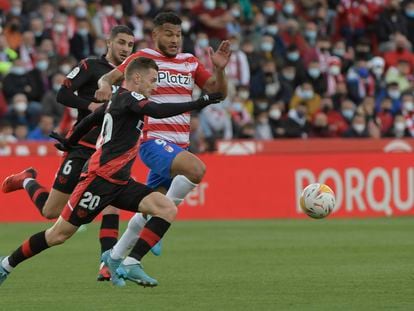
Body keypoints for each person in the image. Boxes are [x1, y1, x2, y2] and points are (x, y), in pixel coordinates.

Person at [0, 57, 223, 288]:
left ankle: (129, 262)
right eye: (153, 80)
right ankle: (6, 264)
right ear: (136, 78)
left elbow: (90, 120)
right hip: (97, 182)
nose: (155, 86)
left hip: (120, 182)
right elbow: (156, 110)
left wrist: (69, 141)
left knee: (166, 208)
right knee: (57, 235)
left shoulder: (116, 100)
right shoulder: (130, 97)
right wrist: (199, 103)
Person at [94, 12, 230, 277]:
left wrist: (220, 69)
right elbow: (108, 78)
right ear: (155, 34)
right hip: (152, 141)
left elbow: (217, 93)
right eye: (168, 33)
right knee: (196, 170)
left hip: (179, 145)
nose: (174, 39)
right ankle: (134, 260)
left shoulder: (189, 62)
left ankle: (113, 263)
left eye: (178, 34)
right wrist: (103, 87)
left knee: (150, 208)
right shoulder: (141, 59)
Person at [1, 25, 135, 281]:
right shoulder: (90, 67)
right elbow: (62, 93)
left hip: (108, 152)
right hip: (82, 147)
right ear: (108, 42)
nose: (125, 49)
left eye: (130, 45)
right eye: (121, 42)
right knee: (51, 212)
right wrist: (90, 105)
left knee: (111, 205)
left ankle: (106, 265)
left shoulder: (130, 75)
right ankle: (27, 178)